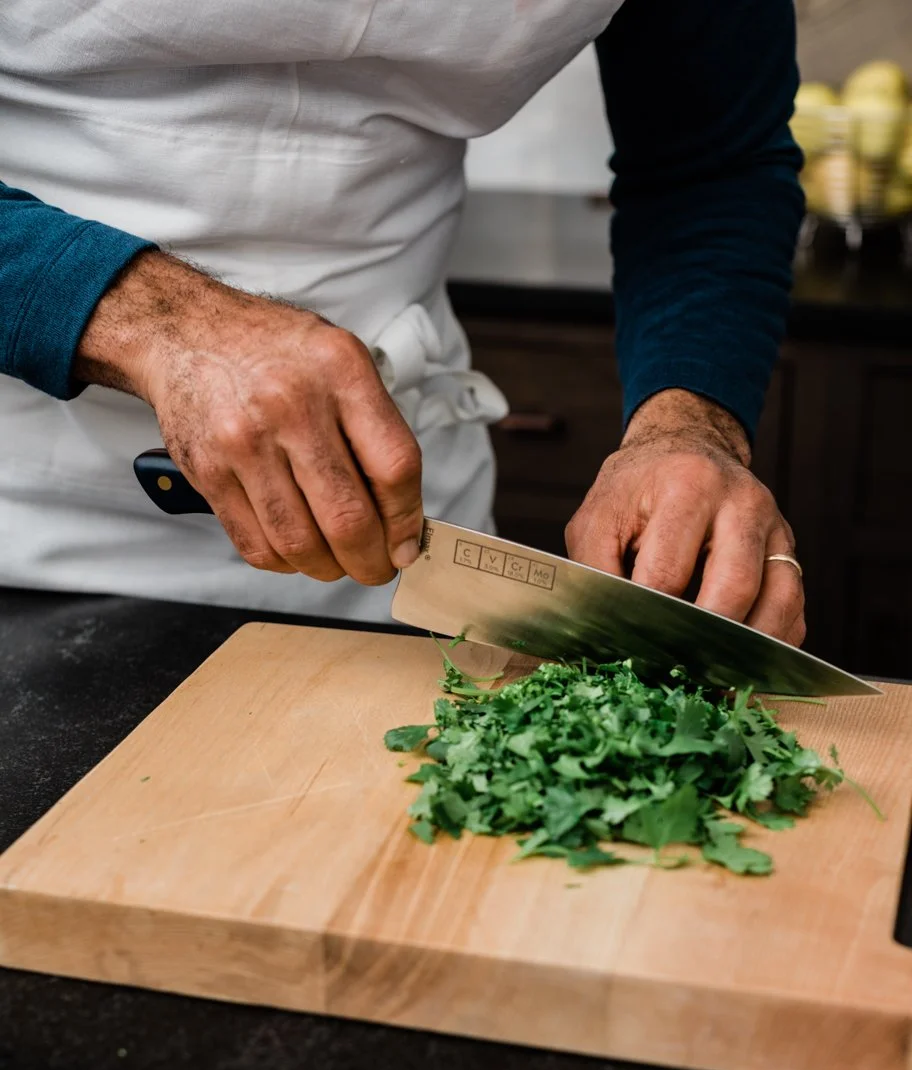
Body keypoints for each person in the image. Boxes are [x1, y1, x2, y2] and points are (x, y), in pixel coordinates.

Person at [0, 0, 807, 643]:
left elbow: (714, 162)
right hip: (28, 522)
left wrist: (690, 423)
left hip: (404, 540)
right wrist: (157, 323)